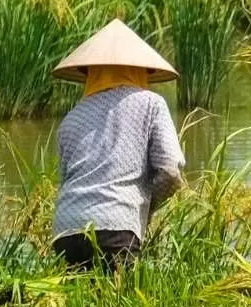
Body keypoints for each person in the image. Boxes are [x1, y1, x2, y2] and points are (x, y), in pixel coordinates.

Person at [49, 18, 186, 272]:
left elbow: (66, 181)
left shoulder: (71, 118)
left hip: (66, 231)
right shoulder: (150, 103)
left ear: (90, 73)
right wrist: (147, 206)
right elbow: (170, 170)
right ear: (141, 70)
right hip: (116, 227)